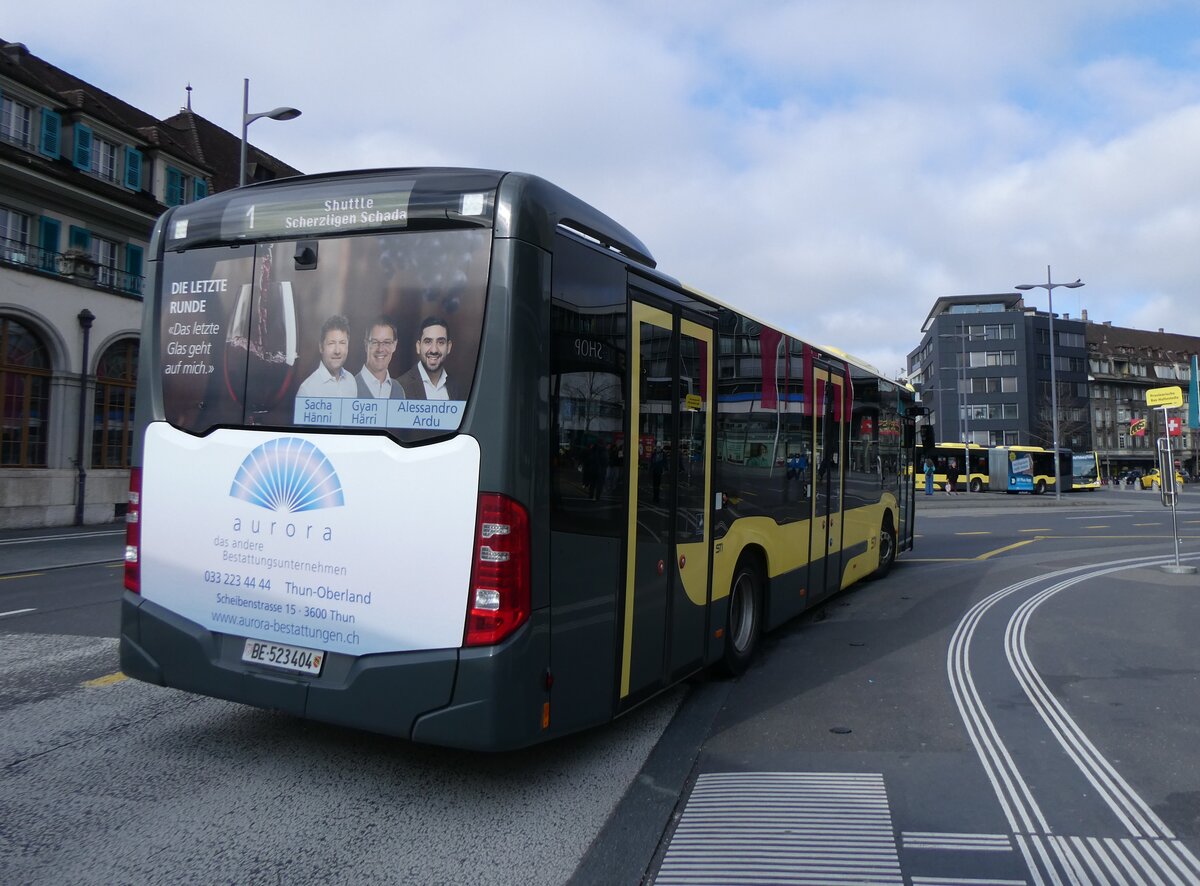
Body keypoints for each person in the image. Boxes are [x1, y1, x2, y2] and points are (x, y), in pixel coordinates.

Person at [398, 316, 467, 400]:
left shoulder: (457, 387)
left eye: (441, 342)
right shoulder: (400, 387)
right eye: (428, 342)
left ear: (448, 347)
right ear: (418, 347)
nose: (434, 350)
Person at [296, 315, 358, 398]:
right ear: (321, 347)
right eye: (331, 343)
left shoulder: (351, 381)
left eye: (342, 343)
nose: (337, 351)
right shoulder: (307, 390)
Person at [355, 317, 406, 399]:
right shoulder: (350, 387)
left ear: (394, 345)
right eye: (374, 342)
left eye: (387, 342)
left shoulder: (399, 390)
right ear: (366, 345)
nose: (380, 349)